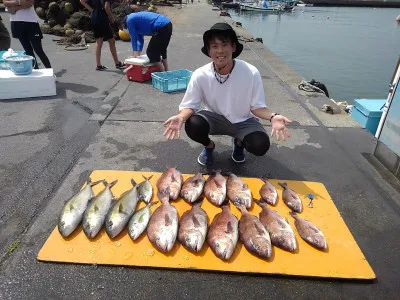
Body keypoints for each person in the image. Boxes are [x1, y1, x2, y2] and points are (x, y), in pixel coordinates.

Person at [163, 23, 292, 166]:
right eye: (214, 46)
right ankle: (208, 146)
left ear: (233, 47)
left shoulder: (251, 72)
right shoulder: (200, 74)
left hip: (244, 121)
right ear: (209, 50)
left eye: (224, 45)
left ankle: (239, 143)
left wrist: (273, 116)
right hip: (214, 118)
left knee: (260, 145)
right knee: (193, 124)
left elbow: (257, 107)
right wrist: (180, 117)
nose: (220, 51)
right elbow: (190, 105)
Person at [3, 0, 51, 69]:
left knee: (38, 50)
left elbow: (29, 3)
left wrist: (14, 6)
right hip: (16, 23)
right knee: (28, 51)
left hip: (31, 23)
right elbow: (7, 6)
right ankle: (36, 72)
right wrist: (20, 3)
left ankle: (49, 70)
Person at [80, 0, 125, 71]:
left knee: (99, 43)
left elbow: (82, 1)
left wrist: (92, 10)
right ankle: (117, 63)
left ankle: (98, 65)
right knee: (112, 41)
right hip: (102, 20)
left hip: (94, 19)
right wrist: (112, 18)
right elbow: (106, 7)